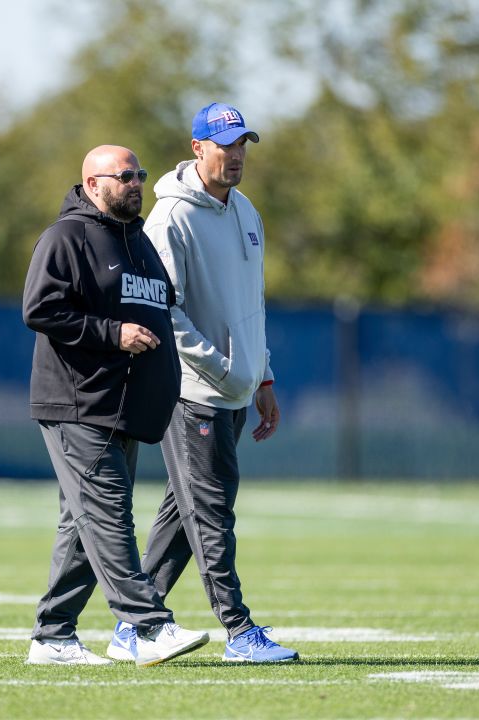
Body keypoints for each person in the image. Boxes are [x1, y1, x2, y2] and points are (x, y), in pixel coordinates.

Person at [104, 104, 299, 664]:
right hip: (193, 392)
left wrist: (261, 374)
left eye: (243, 145)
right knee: (210, 513)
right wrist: (220, 365)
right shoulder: (170, 218)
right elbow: (166, 310)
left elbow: (252, 304)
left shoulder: (247, 212)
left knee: (184, 513)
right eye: (226, 145)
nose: (236, 155)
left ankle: (131, 625)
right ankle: (239, 632)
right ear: (198, 148)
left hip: (237, 389)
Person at [22, 144, 210, 667]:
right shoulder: (67, 237)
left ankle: (53, 636)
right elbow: (40, 309)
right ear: (92, 184)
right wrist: (112, 333)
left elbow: (163, 311)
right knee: (108, 515)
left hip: (123, 408)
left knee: (82, 525)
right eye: (124, 176)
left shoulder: (140, 244)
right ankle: (149, 626)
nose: (135, 183)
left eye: (140, 174)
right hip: (77, 403)